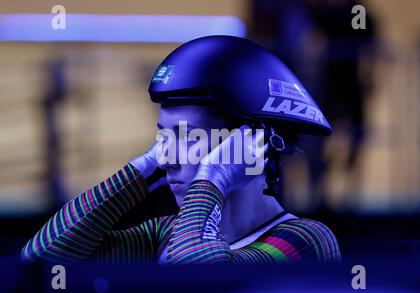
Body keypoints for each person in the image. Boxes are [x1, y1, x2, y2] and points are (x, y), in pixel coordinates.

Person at [22, 36, 341, 264]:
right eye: (162, 137)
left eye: (188, 137)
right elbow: (41, 260)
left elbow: (200, 281)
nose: (168, 158)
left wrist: (215, 174)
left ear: (252, 146)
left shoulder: (305, 240)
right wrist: (141, 171)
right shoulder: (168, 232)